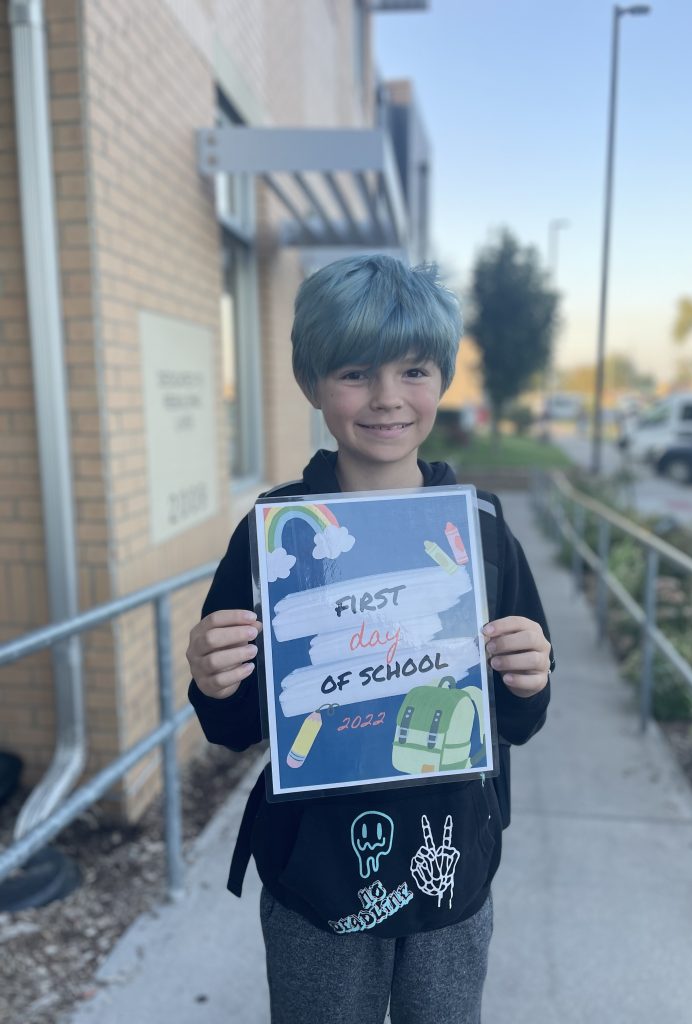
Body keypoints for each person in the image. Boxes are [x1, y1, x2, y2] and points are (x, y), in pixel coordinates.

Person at [186, 254, 553, 1024]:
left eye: (414, 370)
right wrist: (214, 679)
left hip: (450, 866)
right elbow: (234, 725)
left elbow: (516, 719)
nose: (388, 399)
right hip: (316, 877)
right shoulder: (274, 536)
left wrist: (529, 676)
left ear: (443, 379)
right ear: (312, 384)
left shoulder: (479, 530)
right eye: (355, 372)